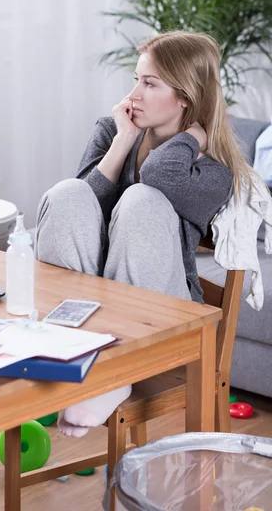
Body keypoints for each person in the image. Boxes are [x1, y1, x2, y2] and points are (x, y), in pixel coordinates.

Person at [35, 30, 255, 437]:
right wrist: (122, 143)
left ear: (186, 96)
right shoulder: (113, 129)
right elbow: (84, 206)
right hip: (97, 297)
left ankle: (117, 372)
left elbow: (158, 175)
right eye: (136, 79)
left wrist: (193, 135)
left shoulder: (212, 170)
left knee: (142, 200)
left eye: (149, 83)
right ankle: (67, 350)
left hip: (166, 314)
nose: (133, 93)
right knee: (68, 193)